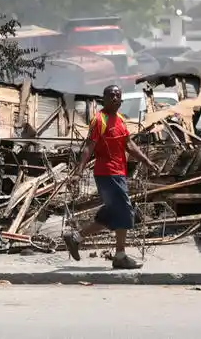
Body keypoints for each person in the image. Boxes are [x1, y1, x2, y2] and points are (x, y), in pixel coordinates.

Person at [63, 84, 156, 270]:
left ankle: (76, 238)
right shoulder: (100, 120)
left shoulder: (121, 119)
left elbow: (129, 144)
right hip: (107, 173)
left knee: (111, 214)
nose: (115, 98)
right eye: (111, 95)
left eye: (118, 95)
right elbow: (89, 146)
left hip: (118, 173)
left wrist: (147, 161)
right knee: (125, 211)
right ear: (103, 99)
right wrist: (79, 172)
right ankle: (120, 256)